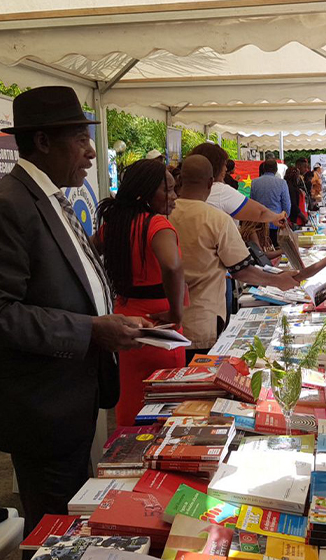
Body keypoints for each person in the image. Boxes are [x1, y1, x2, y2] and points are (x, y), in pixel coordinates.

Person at [0, 87, 151, 545]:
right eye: (80, 139)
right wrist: (91, 329)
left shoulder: (50, 197)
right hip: (41, 406)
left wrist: (110, 317)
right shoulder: (7, 205)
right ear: (42, 142)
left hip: (70, 396)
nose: (91, 152)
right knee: (56, 530)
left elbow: (70, 281)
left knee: (68, 521)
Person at [170, 155, 299, 362]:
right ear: (212, 183)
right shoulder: (216, 219)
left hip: (168, 325)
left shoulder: (164, 216)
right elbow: (242, 270)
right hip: (203, 323)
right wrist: (278, 280)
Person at [96, 159, 187, 427]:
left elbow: (87, 253)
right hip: (160, 327)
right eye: (167, 190)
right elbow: (172, 264)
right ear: (144, 192)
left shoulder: (114, 225)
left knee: (130, 405)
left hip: (123, 323)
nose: (174, 197)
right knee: (164, 411)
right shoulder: (157, 224)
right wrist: (176, 311)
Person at [190, 143, 287, 227]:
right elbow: (259, 213)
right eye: (224, 165)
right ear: (217, 167)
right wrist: (277, 217)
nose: (226, 169)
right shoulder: (220, 191)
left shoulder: (182, 196)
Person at [250, 159, 292, 246]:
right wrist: (284, 219)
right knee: (276, 251)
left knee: (263, 251)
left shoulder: (254, 182)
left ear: (264, 168)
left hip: (259, 224)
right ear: (276, 169)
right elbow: (286, 205)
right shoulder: (282, 183)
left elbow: (252, 202)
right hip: (276, 223)